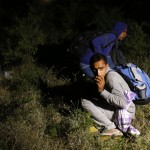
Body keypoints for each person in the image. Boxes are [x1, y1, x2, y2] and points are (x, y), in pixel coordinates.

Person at [81, 53, 140, 136]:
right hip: (119, 110)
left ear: (107, 65)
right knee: (90, 98)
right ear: (91, 68)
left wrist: (102, 91)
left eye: (101, 68)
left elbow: (123, 102)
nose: (98, 72)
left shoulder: (111, 77)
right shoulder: (104, 76)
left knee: (85, 102)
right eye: (95, 69)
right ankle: (112, 125)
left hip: (125, 114)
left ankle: (112, 128)